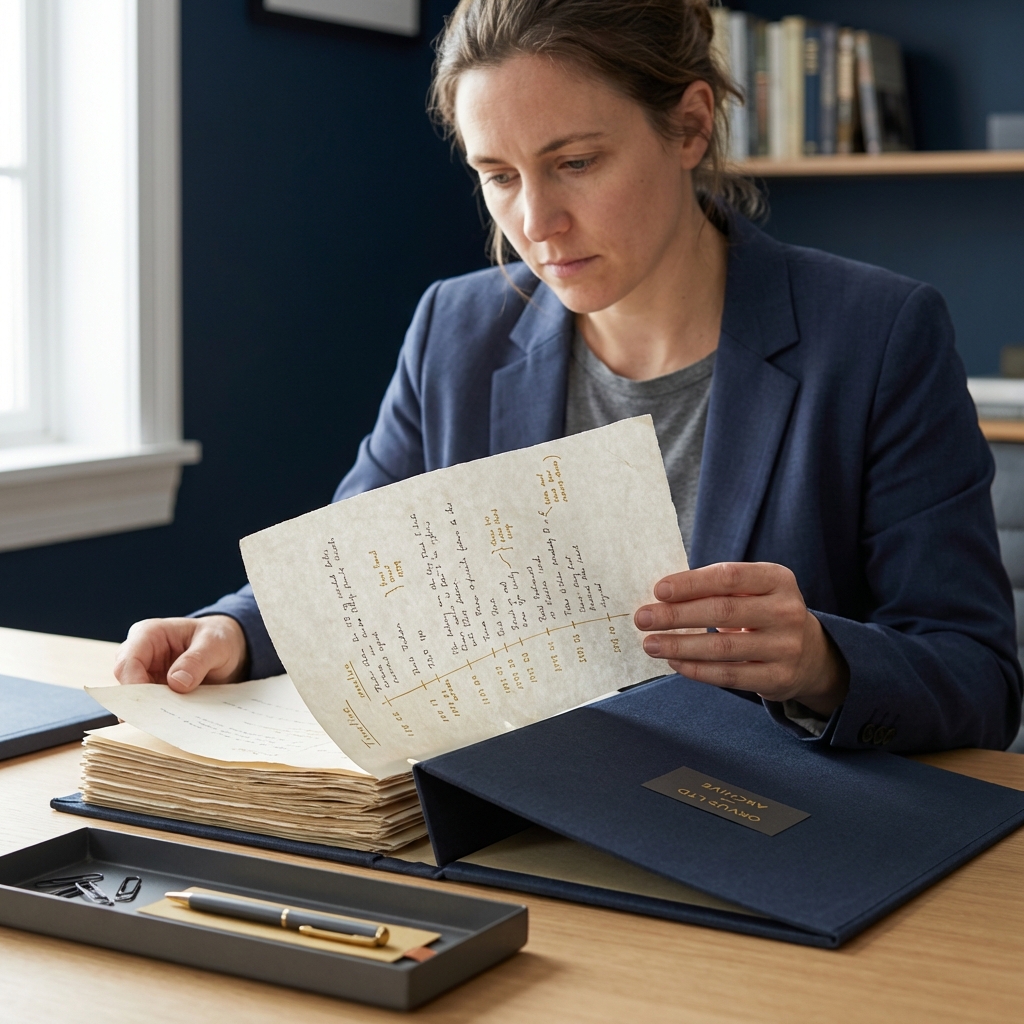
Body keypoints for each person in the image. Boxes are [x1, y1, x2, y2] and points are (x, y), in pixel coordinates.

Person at [114, 0, 1021, 753]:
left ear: (690, 127)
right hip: (525, 812)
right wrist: (232, 630)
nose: (536, 221)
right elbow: (357, 568)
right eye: (497, 175)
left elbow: (980, 680)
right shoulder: (456, 328)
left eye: (576, 163)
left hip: (777, 837)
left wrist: (823, 662)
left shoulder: (877, 333)